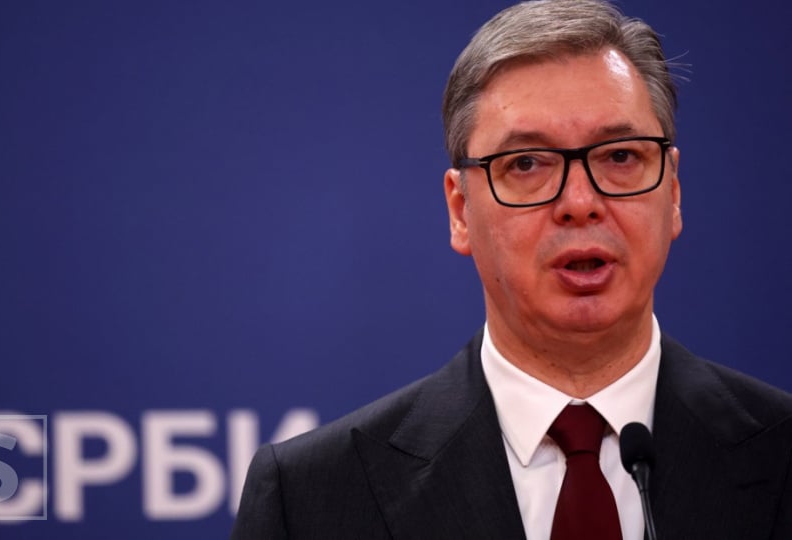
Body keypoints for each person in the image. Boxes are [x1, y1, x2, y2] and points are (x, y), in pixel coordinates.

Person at [231, 1, 792, 538]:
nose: (580, 202)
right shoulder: (310, 498)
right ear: (460, 212)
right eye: (526, 163)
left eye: (620, 156)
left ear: (673, 192)